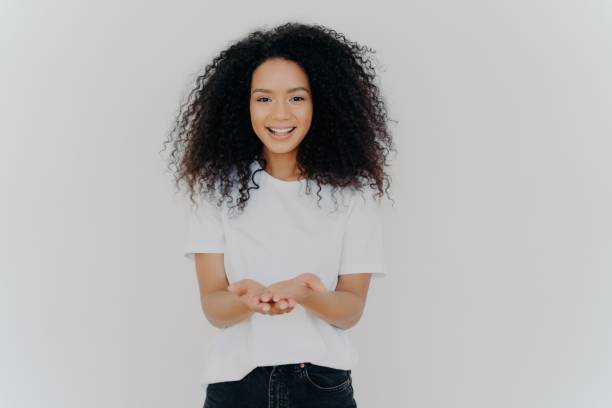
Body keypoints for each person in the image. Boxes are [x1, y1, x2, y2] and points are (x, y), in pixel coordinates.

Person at [163, 21, 395, 408]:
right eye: (264, 98)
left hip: (321, 386)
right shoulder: (217, 189)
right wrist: (247, 301)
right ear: (244, 104)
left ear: (322, 103)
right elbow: (214, 308)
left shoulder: (352, 194)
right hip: (236, 387)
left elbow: (350, 309)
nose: (280, 114)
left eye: (297, 97)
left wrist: (306, 294)